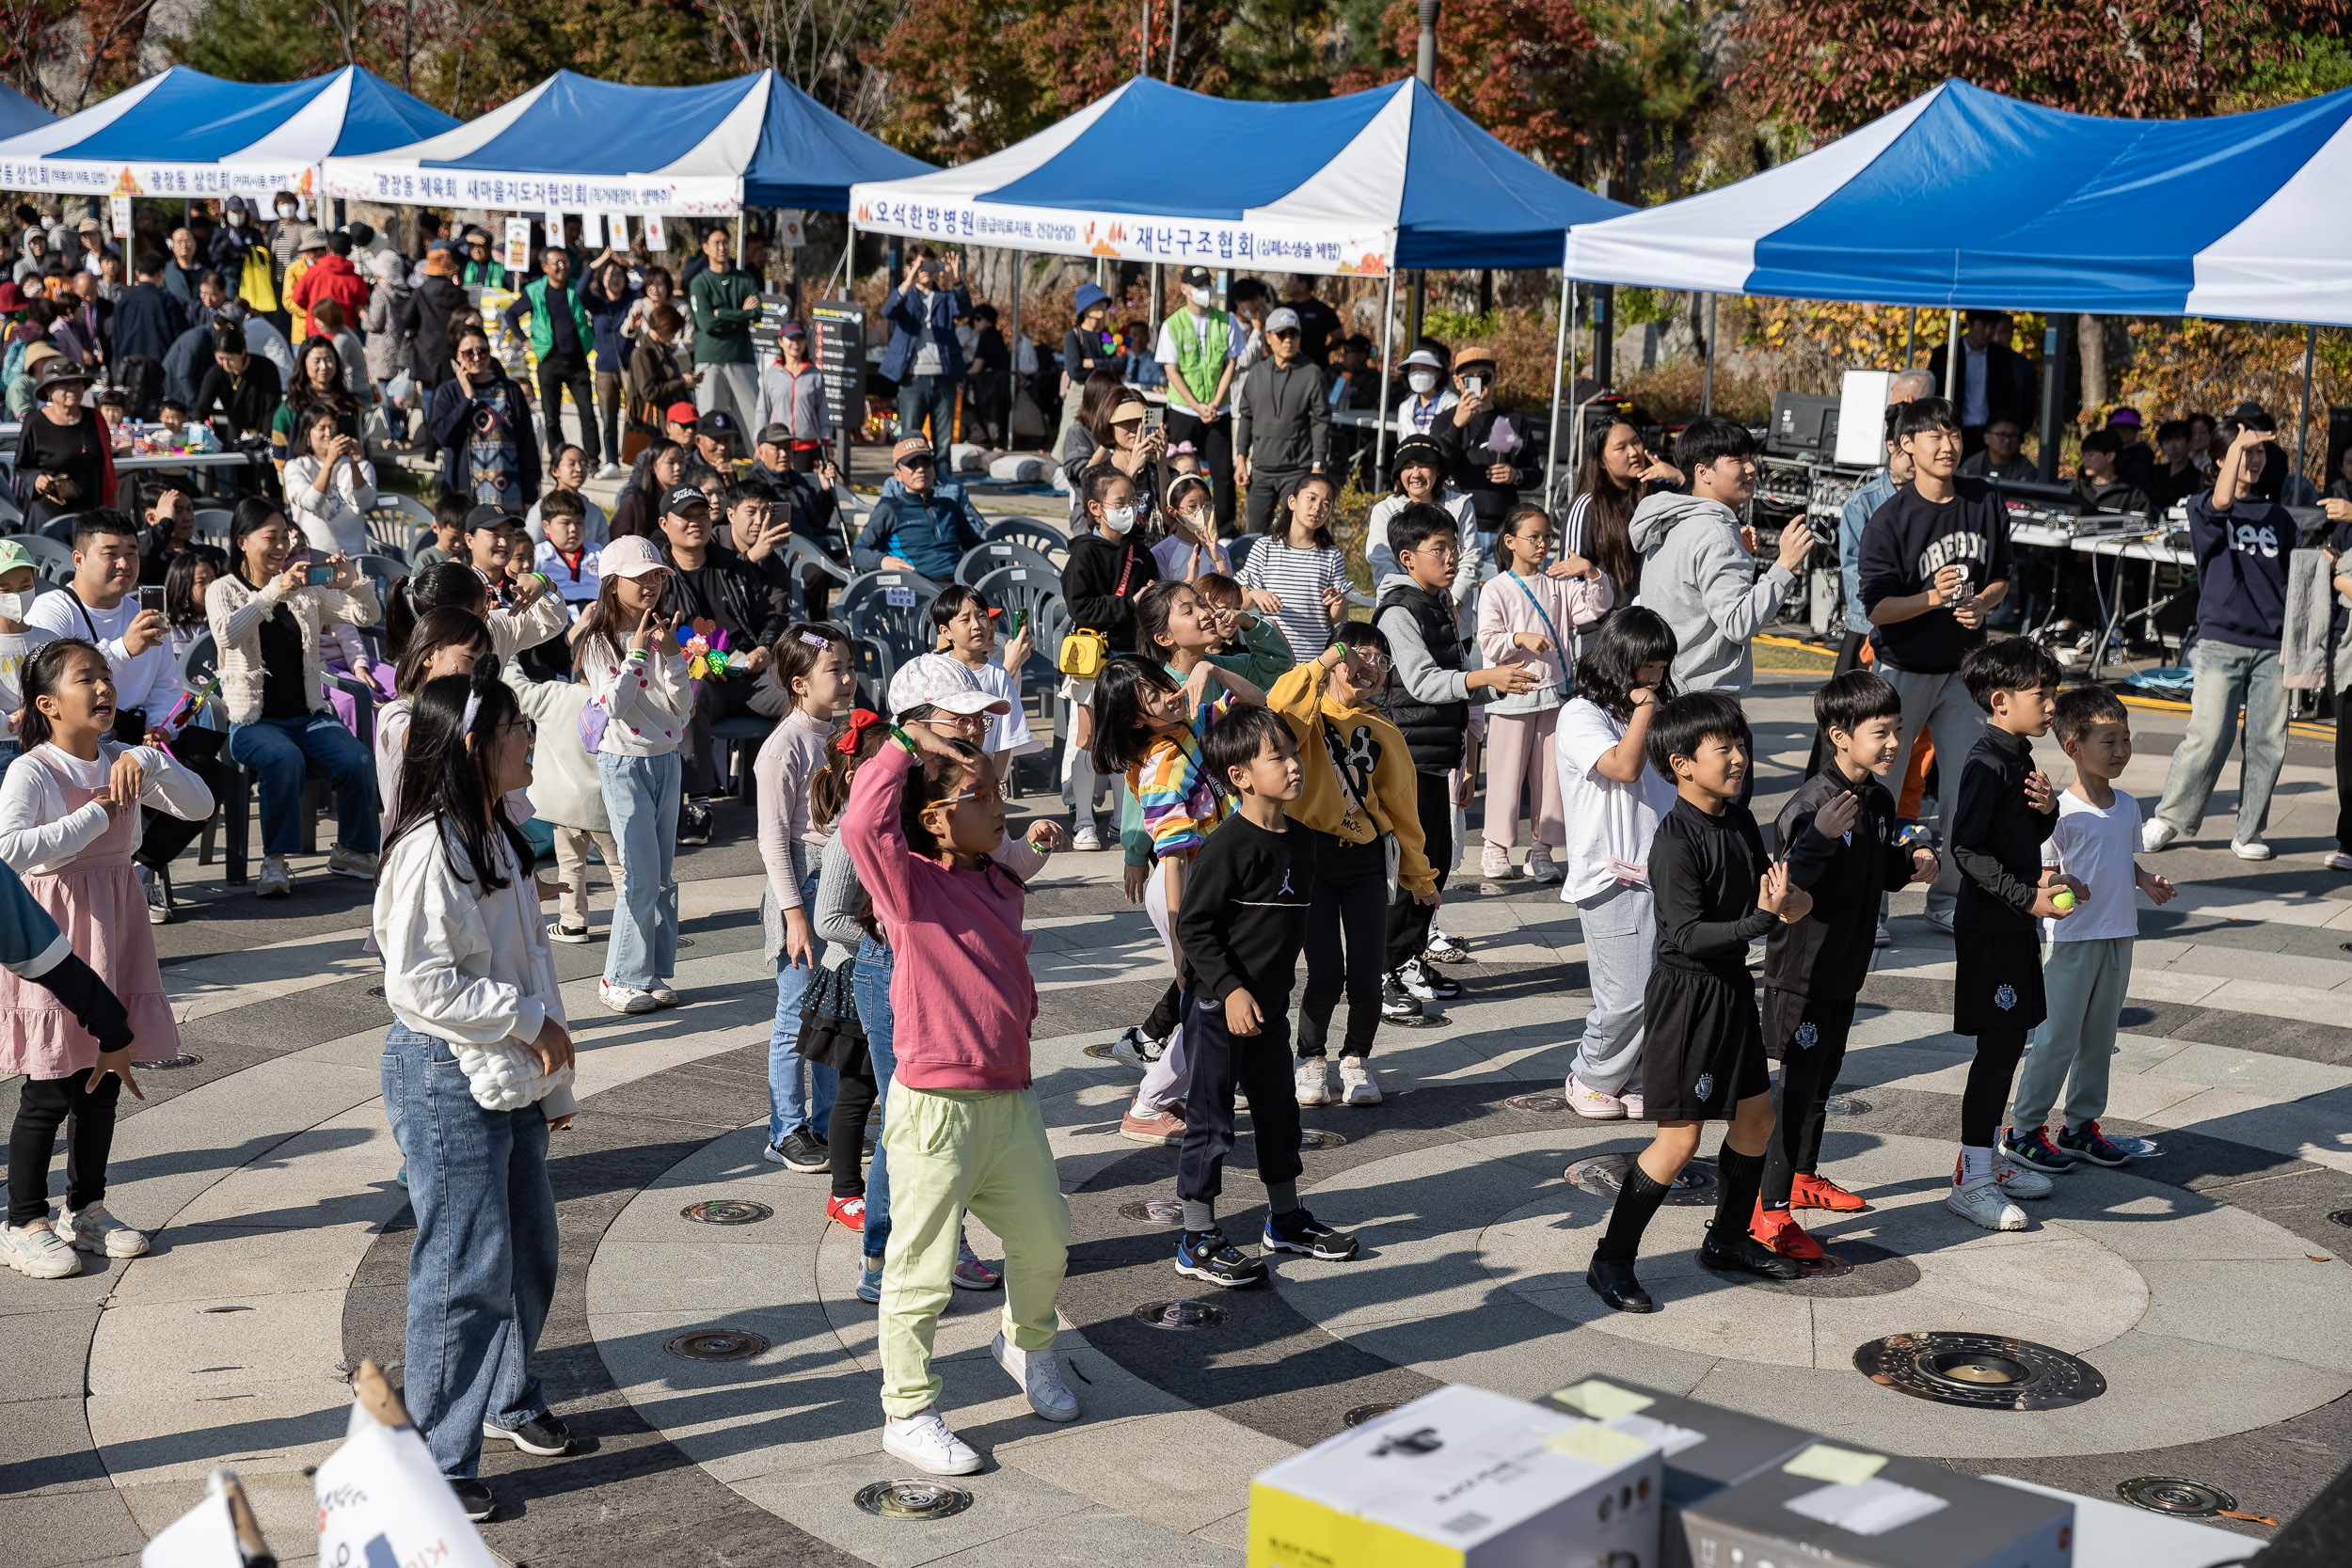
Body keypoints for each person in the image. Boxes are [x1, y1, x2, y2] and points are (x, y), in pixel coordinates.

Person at [843, 720, 1078, 1477]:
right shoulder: (908, 885)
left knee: (1045, 1238)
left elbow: (1017, 863)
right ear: (937, 816)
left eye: (1000, 790)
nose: (998, 803)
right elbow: (860, 823)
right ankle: (906, 1410)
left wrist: (1030, 840)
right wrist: (905, 748)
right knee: (920, 1269)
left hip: (1009, 1100)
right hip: (935, 1109)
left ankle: (1025, 1342)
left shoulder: (997, 877)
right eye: (982, 795)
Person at [373, 661, 578, 1525]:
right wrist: (529, 1023)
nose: (528, 738)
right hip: (447, 1068)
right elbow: (417, 983)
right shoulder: (431, 845)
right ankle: (433, 1462)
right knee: (463, 1266)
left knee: (528, 1248)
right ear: (472, 745)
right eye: (513, 730)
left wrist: (547, 1067)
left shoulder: (495, 829)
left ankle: (504, 1394)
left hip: (505, 1063)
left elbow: (524, 952)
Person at [1581, 692, 1810, 1314]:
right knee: (1678, 1140)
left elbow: (1766, 888)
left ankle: (1729, 1238)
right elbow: (1683, 934)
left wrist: (1789, 903)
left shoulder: (1735, 818)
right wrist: (1758, 922)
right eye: (1724, 748)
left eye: (1741, 744)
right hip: (1689, 998)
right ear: (1681, 763)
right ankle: (1611, 1258)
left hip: (1732, 987)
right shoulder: (1676, 839)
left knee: (1756, 1119)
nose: (1738, 758)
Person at [0, 640, 209, 1279]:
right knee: (52, 1084)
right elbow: (12, 851)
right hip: (55, 937)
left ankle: (86, 1208)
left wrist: (151, 758)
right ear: (47, 703)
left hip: (114, 931)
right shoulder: (32, 770)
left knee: (103, 1078)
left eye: (106, 676)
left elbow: (198, 805)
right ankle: (23, 1219)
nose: (102, 687)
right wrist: (96, 814)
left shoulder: (125, 758)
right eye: (83, 678)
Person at [1751, 672, 1942, 1259]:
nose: (1893, 743)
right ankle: (1768, 1210)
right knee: (1797, 1085)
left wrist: (1914, 857)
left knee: (1822, 1079)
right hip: (1802, 975)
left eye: (1899, 730)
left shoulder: (1878, 800)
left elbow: (1879, 868)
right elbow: (1789, 890)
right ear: (1839, 735)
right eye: (1880, 732)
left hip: (1845, 969)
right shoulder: (1810, 807)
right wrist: (1824, 840)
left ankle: (1804, 1177)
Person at [1167, 704, 1358, 1287]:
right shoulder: (1227, 845)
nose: (1293, 766)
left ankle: (1284, 1219)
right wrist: (1228, 991)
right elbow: (1194, 928)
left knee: (1279, 1115)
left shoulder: (1302, 840)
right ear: (1240, 777)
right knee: (1212, 1123)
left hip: (1271, 1007)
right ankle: (1197, 1234)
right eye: (1277, 757)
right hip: (1218, 1008)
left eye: (1292, 754)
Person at [2001, 685, 2175, 1178]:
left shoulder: (2127, 806)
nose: (2120, 751)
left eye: (2125, 739)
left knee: (2100, 1038)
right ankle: (2024, 1130)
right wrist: (2057, 883)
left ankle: (2080, 1126)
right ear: (2073, 746)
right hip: (2073, 941)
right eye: (2108, 741)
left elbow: (2123, 858)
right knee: (2057, 1037)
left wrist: (2146, 880)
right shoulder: (2059, 813)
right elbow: (2038, 871)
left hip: (2120, 935)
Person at [1375, 506, 1537, 1022]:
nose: (1451, 558)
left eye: (1453, 547)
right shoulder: (1399, 612)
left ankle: (1409, 959)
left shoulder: (1439, 603)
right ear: (1408, 557)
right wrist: (1485, 678)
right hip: (1403, 759)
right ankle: (1383, 971)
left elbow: (1460, 676)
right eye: (1438, 549)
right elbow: (1422, 682)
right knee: (1412, 870)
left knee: (1437, 865)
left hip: (1436, 757)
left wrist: (1468, 760)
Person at [1859, 396, 2014, 927]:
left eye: (1952, 435)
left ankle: (1949, 899)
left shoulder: (1985, 500)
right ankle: (1871, 905)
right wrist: (1930, 598)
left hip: (1968, 669)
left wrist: (1982, 603)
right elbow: (1876, 606)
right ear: (1907, 446)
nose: (1947, 446)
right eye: (1934, 437)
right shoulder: (1890, 519)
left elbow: (2001, 578)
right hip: (1902, 669)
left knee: (1965, 788)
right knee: (1878, 789)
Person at [1269, 626, 1434, 1107]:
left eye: (1381, 660)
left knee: (1366, 974)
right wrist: (1326, 660)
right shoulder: (1308, 714)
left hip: (1364, 859)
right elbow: (1279, 711)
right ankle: (1310, 1058)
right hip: (1311, 856)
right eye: (1358, 656)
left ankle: (1356, 1059)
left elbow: (1402, 806)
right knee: (1323, 972)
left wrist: (1419, 875)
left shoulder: (1385, 730)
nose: (1369, 667)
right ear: (1335, 658)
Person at [1944, 637, 2074, 1231]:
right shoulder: (1985, 762)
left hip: (2017, 919)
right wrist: (2027, 897)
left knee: (2012, 1041)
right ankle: (1971, 1177)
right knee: (1996, 1052)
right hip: (1992, 925)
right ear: (2000, 701)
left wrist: (2046, 811)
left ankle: (1989, 1159)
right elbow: (1966, 848)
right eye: (2041, 695)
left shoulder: (2018, 755)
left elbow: (2017, 832)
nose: (2052, 706)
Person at [206, 498, 382, 897]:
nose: (282, 546)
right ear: (242, 542)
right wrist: (272, 592)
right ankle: (275, 861)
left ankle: (352, 852)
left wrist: (353, 583)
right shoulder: (224, 589)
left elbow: (366, 617)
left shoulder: (306, 591)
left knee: (357, 759)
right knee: (284, 759)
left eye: (286, 536)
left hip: (308, 715)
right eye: (271, 537)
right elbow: (228, 635)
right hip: (251, 720)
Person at [2141, 416, 2296, 860]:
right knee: (2209, 735)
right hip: (2221, 640)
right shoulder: (2204, 505)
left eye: (2259, 452)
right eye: (2244, 451)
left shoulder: (2278, 516)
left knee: (2267, 740)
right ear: (2221, 459)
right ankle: (2170, 818)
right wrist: (2238, 445)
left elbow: (2292, 581)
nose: (2254, 458)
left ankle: (2249, 831)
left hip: (2273, 645)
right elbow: (2223, 501)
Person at [1555, 608, 1678, 1120]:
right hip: (1611, 872)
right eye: (1647, 666)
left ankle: (1630, 1078)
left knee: (1660, 989)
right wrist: (1647, 708)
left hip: (1662, 866)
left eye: (1661, 667)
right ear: (1621, 659)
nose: (1654, 677)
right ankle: (1590, 1075)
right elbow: (1623, 768)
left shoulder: (1648, 708)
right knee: (1625, 994)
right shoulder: (1580, 714)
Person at [572, 535, 693, 1013]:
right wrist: (639, 655)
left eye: (657, 576)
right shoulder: (598, 640)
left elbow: (682, 707)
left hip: (667, 757)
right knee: (639, 875)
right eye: (639, 577)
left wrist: (676, 656)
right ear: (611, 582)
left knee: (662, 876)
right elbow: (616, 707)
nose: (650, 585)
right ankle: (618, 977)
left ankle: (653, 973)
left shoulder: (666, 633)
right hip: (623, 762)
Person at [755, 625, 859, 1169]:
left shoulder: (841, 734)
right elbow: (772, 839)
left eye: (848, 667)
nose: (846, 680)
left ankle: (826, 1121)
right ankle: (786, 1128)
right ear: (799, 684)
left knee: (831, 1013)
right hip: (802, 881)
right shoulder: (783, 746)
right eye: (833, 670)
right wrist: (794, 914)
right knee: (795, 1012)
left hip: (838, 881)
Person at [1629, 416, 1809, 706]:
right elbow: (1738, 622)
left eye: (1750, 458)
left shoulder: (1674, 521)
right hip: (1706, 702)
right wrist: (1784, 565)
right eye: (1737, 461)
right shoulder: (1715, 534)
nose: (1751, 468)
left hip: (1669, 691)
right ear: (1704, 472)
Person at [1476, 504, 1613, 885]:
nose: (1541, 544)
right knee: (1505, 773)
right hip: (1513, 692)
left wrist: (1590, 571)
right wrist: (1518, 638)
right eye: (1533, 537)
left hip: (1555, 695)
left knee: (1551, 776)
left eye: (1546, 537)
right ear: (1510, 541)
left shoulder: (1557, 582)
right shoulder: (1496, 588)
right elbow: (1487, 640)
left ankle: (1542, 849)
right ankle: (1496, 847)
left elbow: (1594, 608)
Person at [655, 483, 787, 841]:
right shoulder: (657, 577)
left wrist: (764, 649)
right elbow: (651, 634)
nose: (695, 522)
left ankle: (798, 791)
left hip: (749, 674)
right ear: (665, 524)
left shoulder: (734, 567)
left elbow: (770, 618)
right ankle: (699, 804)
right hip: (696, 680)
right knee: (689, 696)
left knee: (804, 693)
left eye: (701, 515)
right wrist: (691, 663)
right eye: (686, 517)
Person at [1059, 466, 1163, 848]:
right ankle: (1084, 819)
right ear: (1095, 507)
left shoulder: (1142, 553)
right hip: (1093, 658)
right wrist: (1127, 604)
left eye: (1133, 501)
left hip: (1131, 655)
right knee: (1088, 738)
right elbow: (1080, 606)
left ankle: (1123, 819)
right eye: (1120, 502)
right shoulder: (1084, 552)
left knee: (1127, 738)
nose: (1129, 509)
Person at [1157, 266, 1243, 532]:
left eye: (1207, 283)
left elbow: (1231, 363)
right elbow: (1171, 370)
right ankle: (1176, 524)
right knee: (1179, 471)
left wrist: (1215, 402)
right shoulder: (1173, 324)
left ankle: (1225, 531)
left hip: (1219, 409)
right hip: (1184, 410)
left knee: (1222, 474)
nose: (1205, 290)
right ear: (1184, 289)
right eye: (1198, 284)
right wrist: (1196, 405)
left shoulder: (1227, 320)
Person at [1232, 307, 1330, 535]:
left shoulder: (1312, 373)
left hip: (1297, 470)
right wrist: (1240, 459)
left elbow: (1321, 421)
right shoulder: (1256, 373)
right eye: (1281, 334)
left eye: (1293, 334)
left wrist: (1318, 463)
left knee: (1295, 533)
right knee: (1254, 535)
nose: (1288, 340)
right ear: (1268, 337)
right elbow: (1246, 417)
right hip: (1261, 470)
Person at [502, 245, 601, 470]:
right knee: (551, 416)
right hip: (549, 361)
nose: (562, 266)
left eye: (565, 261)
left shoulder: (576, 289)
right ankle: (558, 459)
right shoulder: (536, 290)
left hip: (577, 361)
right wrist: (524, 341)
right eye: (556, 262)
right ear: (545, 267)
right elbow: (510, 314)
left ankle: (593, 460)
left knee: (587, 412)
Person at [1433, 347, 1538, 548]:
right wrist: (1457, 425)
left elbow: (1535, 473)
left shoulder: (1513, 420)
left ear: (1495, 378)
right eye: (1469, 380)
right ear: (1456, 382)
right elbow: (1438, 467)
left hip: (1504, 528)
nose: (1478, 385)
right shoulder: (1443, 421)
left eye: (1484, 377)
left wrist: (1516, 475)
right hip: (1457, 526)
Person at [1236, 471, 1348, 660]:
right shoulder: (1265, 547)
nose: (1317, 508)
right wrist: (1254, 593)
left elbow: (1335, 617)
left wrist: (1338, 601)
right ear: (1292, 501)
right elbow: (1243, 602)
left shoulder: (1331, 554)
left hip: (1316, 658)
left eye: (1326, 504)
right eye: (1311, 498)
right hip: (1273, 657)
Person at [429, 325, 542, 512]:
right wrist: (467, 396)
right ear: (457, 356)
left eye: (482, 351)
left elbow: (527, 445)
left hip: (509, 497)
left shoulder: (511, 391)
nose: (476, 357)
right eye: (468, 353)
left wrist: (530, 495)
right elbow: (443, 436)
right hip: (465, 499)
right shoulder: (448, 392)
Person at [878, 247, 969, 466]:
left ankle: (944, 489)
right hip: (913, 380)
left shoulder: (944, 298)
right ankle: (906, 485)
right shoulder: (905, 297)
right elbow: (888, 311)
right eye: (920, 266)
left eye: (929, 265)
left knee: (944, 442)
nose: (925, 271)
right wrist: (908, 282)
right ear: (909, 268)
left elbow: (965, 311)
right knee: (909, 438)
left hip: (944, 378)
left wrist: (956, 281)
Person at [854, 437, 987, 578]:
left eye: (926, 462)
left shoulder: (949, 506)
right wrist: (882, 561)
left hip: (957, 585)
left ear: (934, 470)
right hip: (917, 588)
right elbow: (857, 553)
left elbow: (974, 544)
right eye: (911, 464)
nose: (921, 469)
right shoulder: (890, 510)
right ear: (898, 474)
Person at [930, 586, 1037, 759]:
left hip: (986, 769)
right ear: (945, 631)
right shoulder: (935, 669)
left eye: (982, 616)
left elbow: (1005, 738)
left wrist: (996, 781)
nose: (977, 625)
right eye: (965, 620)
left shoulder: (998, 672)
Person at [12, 356, 114, 529]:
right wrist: (37, 480)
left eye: (77, 383)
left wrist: (113, 510)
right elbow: (22, 466)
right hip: (49, 514)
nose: (73, 388)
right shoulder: (35, 422)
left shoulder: (94, 418)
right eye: (64, 384)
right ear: (49, 390)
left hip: (91, 514)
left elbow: (108, 469)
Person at [1927, 309, 2037, 457]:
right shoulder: (1945, 354)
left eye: (1992, 326)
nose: (1988, 332)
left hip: (1991, 432)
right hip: (1954, 428)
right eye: (1983, 326)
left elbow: (2009, 395)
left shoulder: (2000, 356)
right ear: (1969, 324)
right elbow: (1934, 394)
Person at [1062, 390, 1167, 536]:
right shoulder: (1095, 476)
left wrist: (1162, 465)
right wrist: (1131, 471)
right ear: (1109, 426)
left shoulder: (1160, 472)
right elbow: (1098, 527)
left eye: (1140, 420)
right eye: (1125, 421)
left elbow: (1170, 520)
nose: (1135, 428)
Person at [282, 405, 375, 559]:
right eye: (321, 428)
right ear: (307, 434)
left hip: (354, 554)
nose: (329, 434)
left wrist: (354, 465)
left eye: (333, 428)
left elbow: (366, 502)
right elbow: (312, 503)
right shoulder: (295, 467)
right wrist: (329, 463)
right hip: (313, 555)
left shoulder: (362, 466)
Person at [0, 540, 54, 775]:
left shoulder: (50, 639)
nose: (17, 595)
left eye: (25, 586)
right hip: (5, 748)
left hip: (49, 742)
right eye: (5, 589)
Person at [270, 335, 361, 469]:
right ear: (304, 364)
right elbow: (279, 453)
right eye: (316, 361)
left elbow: (359, 445)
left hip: (344, 480)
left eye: (329, 359)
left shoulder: (349, 404)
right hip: (304, 481)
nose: (324, 366)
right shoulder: (292, 407)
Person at [751, 321, 832, 467]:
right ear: (781, 342)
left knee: (803, 486)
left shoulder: (814, 374)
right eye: (791, 339)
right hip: (777, 442)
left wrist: (826, 441)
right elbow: (763, 410)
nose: (796, 343)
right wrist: (759, 441)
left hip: (807, 444)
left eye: (800, 339)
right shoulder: (771, 374)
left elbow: (823, 410)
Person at [584, 258, 635, 475]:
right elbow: (579, 291)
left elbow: (649, 283)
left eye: (619, 274)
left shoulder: (633, 299)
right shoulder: (597, 303)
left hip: (631, 367)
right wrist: (594, 265)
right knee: (608, 418)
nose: (615, 279)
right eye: (610, 274)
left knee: (636, 415)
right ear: (602, 279)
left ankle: (636, 458)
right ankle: (611, 462)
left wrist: (631, 264)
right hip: (605, 368)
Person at [1057, 281, 1115, 450]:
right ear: (1084, 308)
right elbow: (1075, 371)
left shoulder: (1106, 335)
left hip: (1104, 394)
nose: (1101, 306)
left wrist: (1092, 363)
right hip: (1079, 394)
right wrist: (1105, 367)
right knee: (1070, 435)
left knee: (1100, 437)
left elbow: (1120, 364)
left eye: (1103, 302)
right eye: (1095, 302)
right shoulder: (1073, 336)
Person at [289, 230, 368, 344]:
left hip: (316, 331)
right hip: (344, 333)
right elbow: (360, 307)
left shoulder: (314, 272)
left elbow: (297, 298)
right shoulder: (357, 279)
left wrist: (315, 311)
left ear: (328, 248)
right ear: (350, 250)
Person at [110, 252, 184, 370]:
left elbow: (116, 340)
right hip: (161, 368)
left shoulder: (123, 302)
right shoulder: (168, 301)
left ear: (137, 273)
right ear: (161, 273)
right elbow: (179, 338)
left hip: (129, 369)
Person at [526, 443, 610, 545]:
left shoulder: (594, 512)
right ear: (555, 470)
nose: (579, 469)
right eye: (571, 464)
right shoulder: (542, 508)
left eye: (584, 464)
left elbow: (603, 548)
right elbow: (531, 545)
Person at [532, 492, 601, 606]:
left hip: (596, 612)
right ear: (546, 526)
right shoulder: (538, 555)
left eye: (579, 523)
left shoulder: (598, 552)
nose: (574, 529)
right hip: (556, 615)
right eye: (565, 523)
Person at [2072, 428, 2152, 516]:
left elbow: (2145, 525)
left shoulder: (2133, 495)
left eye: (2090, 455)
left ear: (2110, 456)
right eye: (2083, 455)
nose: (2085, 460)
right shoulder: (2074, 489)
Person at [1391, 345, 1455, 438]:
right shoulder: (1405, 407)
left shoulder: (1452, 404)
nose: (1417, 374)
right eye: (1413, 369)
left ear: (1438, 373)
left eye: (1424, 368)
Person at [1278, 274, 1341, 366]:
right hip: (1287, 366)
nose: (1287, 284)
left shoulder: (1322, 310)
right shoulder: (1282, 310)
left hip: (1316, 365)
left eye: (1291, 280)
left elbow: (1339, 336)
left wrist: (1322, 350)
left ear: (1303, 285)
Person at [1958, 415, 2036, 483]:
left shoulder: (2027, 469)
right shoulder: (1972, 465)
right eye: (2001, 435)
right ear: (1986, 438)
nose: (2007, 440)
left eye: (2013, 435)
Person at [2148, 420, 2203, 513]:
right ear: (2162, 448)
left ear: (2189, 443)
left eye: (2178, 440)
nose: (2172, 447)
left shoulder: (2199, 479)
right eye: (2167, 442)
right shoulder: (2153, 474)